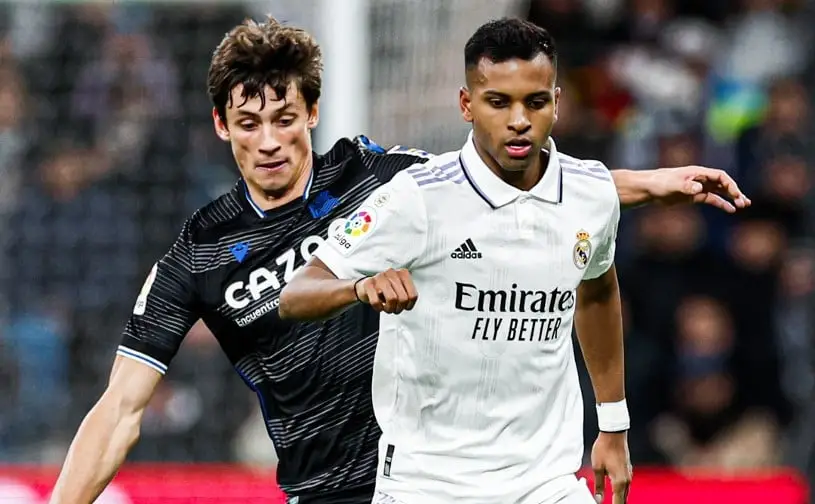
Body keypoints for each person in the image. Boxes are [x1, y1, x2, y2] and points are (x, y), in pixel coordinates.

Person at [49, 15, 749, 504]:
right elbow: (120, 411)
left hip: (438, 470)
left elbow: (509, 181)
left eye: (284, 119)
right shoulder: (197, 253)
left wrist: (646, 185)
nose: (268, 142)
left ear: (312, 113)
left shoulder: (378, 176)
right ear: (220, 125)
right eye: (248, 123)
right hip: (324, 490)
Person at [278, 18, 706, 504]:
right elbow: (295, 295)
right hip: (428, 483)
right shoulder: (416, 198)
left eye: (535, 102)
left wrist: (612, 423)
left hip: (545, 480)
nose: (519, 120)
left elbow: (596, 289)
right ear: (467, 104)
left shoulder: (591, 194)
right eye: (498, 102)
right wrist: (358, 289)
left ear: (557, 102)